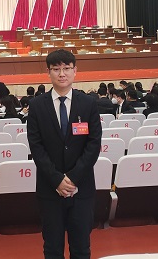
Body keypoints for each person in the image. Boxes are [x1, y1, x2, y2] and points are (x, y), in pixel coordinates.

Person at [27, 49, 101, 259]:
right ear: (48, 72)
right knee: (52, 249)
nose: (62, 74)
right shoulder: (37, 106)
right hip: (50, 189)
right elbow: (36, 147)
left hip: (82, 189)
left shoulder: (88, 103)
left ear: (75, 71)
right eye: (56, 69)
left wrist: (74, 178)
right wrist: (57, 180)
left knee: (81, 249)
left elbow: (93, 144)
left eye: (67, 68)